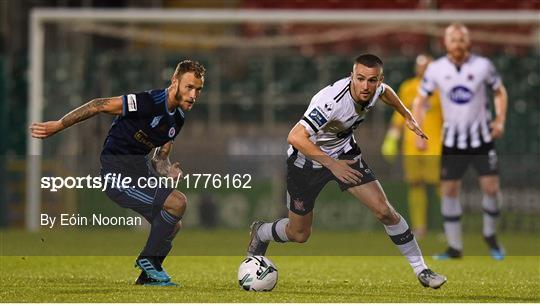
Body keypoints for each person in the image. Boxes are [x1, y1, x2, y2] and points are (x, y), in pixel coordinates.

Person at [247, 54, 447, 289]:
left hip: (345, 155)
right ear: (351, 76)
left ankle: (422, 270)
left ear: (378, 79)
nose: (365, 86)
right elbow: (295, 136)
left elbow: (386, 92)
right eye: (360, 78)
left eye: (372, 80)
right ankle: (262, 232)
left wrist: (407, 115)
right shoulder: (331, 102)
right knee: (299, 234)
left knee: (384, 211)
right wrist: (332, 164)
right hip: (306, 161)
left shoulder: (374, 90)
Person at [30, 60, 206, 285]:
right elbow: (98, 104)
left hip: (140, 172)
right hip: (117, 173)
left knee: (173, 223)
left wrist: (167, 169)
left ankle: (147, 277)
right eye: (189, 87)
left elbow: (159, 158)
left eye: (198, 90)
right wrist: (59, 124)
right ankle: (148, 260)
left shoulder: (177, 119)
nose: (193, 95)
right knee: (178, 202)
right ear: (175, 82)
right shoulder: (148, 102)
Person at [412, 23, 508, 260]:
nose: (458, 43)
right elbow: (420, 100)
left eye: (462, 39)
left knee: (491, 189)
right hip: (453, 142)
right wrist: (418, 130)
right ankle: (455, 247)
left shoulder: (483, 65)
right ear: (446, 43)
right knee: (449, 191)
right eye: (453, 39)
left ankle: (490, 234)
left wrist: (500, 120)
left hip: (482, 139)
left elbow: (499, 91)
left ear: (469, 42)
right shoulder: (436, 69)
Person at [381, 54, 443, 238]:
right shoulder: (408, 87)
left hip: (435, 145)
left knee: (442, 185)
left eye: (427, 66)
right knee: (415, 185)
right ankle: (420, 228)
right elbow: (399, 114)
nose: (423, 69)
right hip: (411, 145)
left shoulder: (441, 89)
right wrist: (391, 138)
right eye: (421, 66)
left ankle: (447, 226)